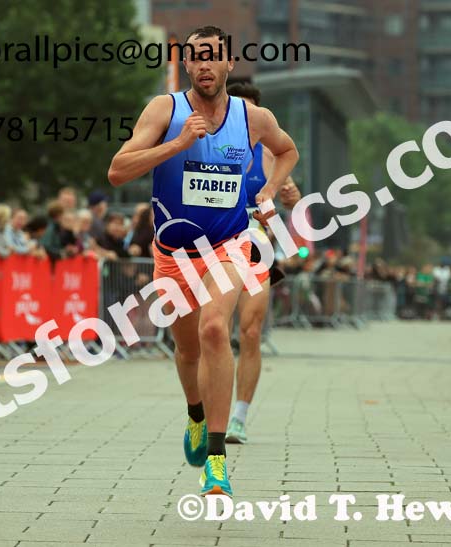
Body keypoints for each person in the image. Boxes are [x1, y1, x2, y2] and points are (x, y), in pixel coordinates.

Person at [107, 25, 298, 497]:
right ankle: (195, 413)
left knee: (218, 330)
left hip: (230, 245)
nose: (205, 65)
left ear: (230, 64)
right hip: (174, 253)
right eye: (196, 57)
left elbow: (287, 150)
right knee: (188, 349)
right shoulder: (164, 110)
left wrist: (270, 190)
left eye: (214, 56)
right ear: (187, 65)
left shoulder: (252, 117)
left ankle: (216, 460)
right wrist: (176, 145)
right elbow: (117, 171)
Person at [224, 82, 300, 445]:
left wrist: (290, 196)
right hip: (212, 249)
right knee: (213, 332)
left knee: (250, 332)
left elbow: (289, 197)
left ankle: (238, 417)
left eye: (252, 112)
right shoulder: (210, 146)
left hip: (255, 251)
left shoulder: (271, 155)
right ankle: (209, 411)